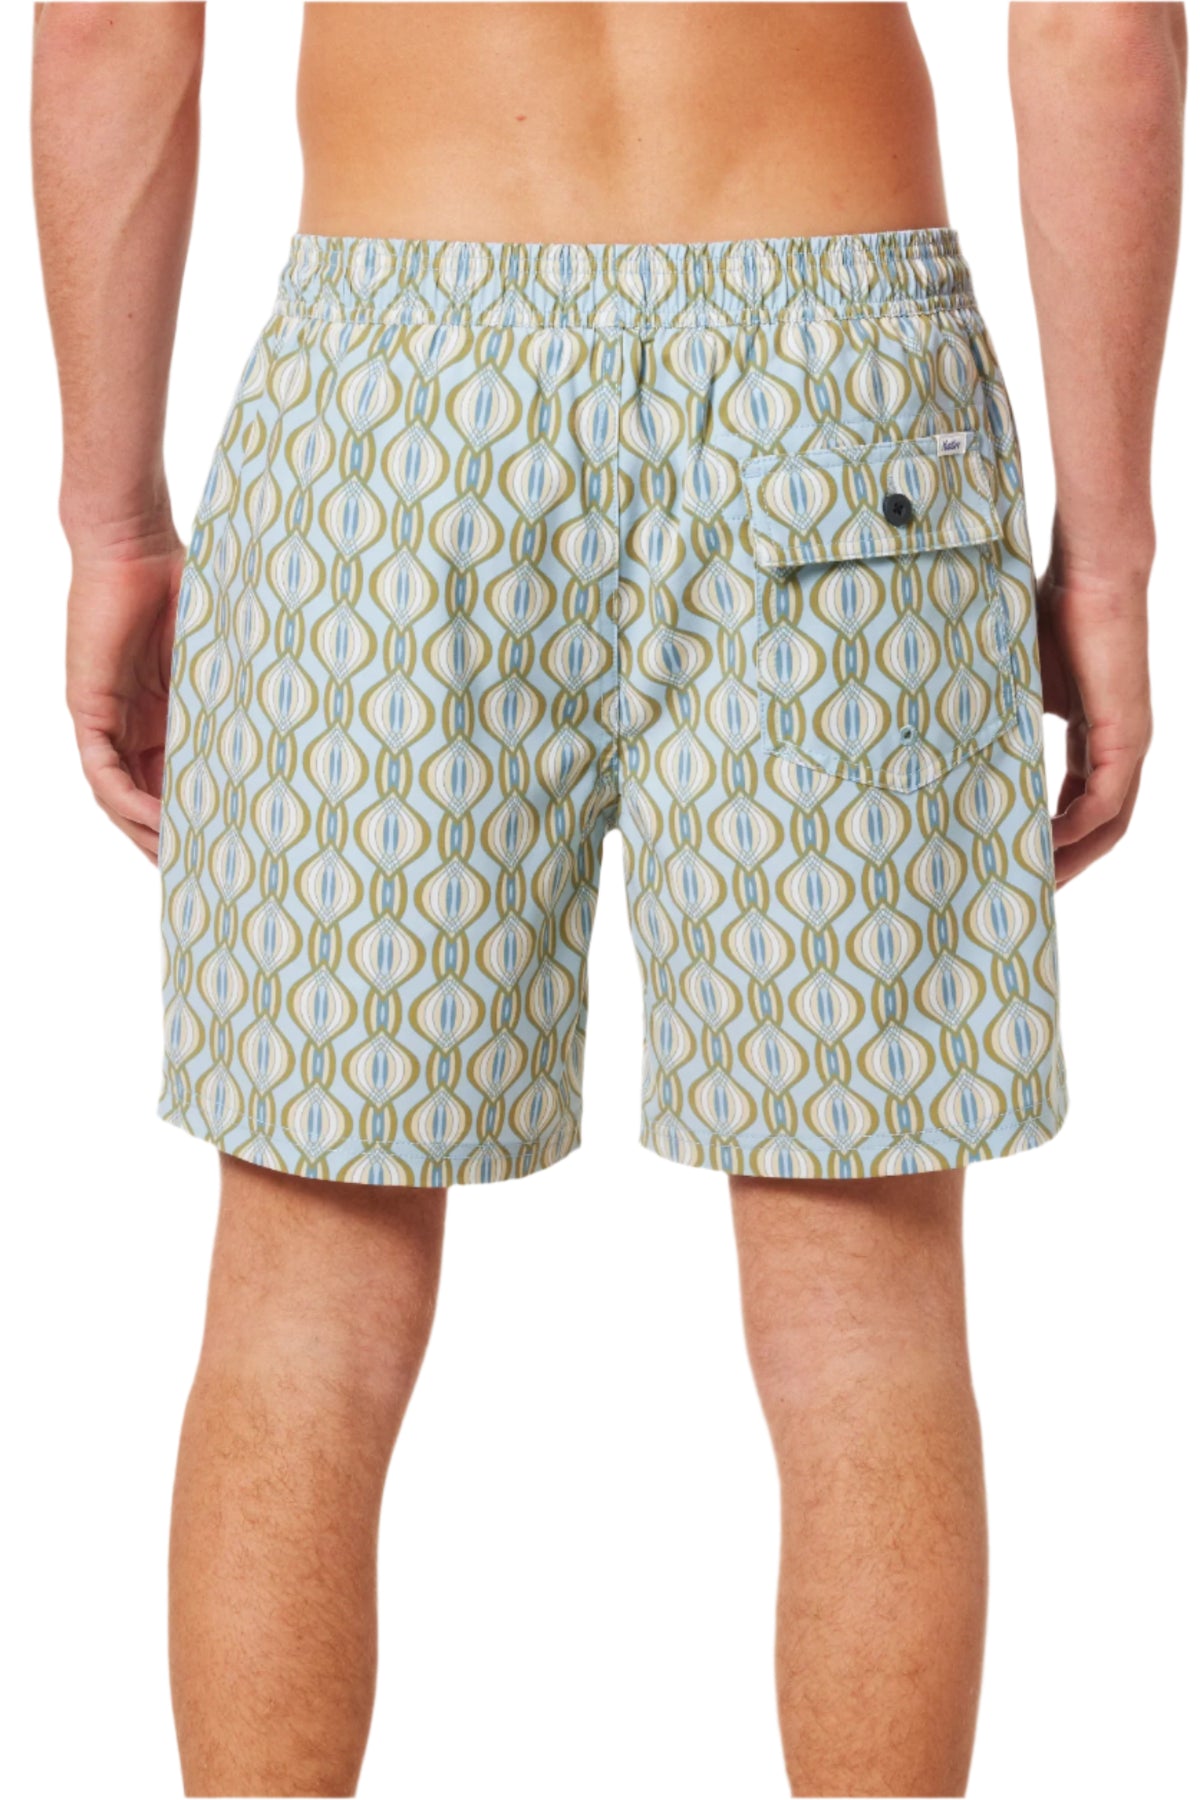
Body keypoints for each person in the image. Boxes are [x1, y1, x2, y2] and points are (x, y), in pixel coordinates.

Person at [32, 3, 1184, 1794]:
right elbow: (1103, 28)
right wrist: (1105, 548)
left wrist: (112, 521)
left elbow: (111, 23)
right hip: (835, 376)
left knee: (306, 1314)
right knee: (864, 1330)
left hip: (396, 410)